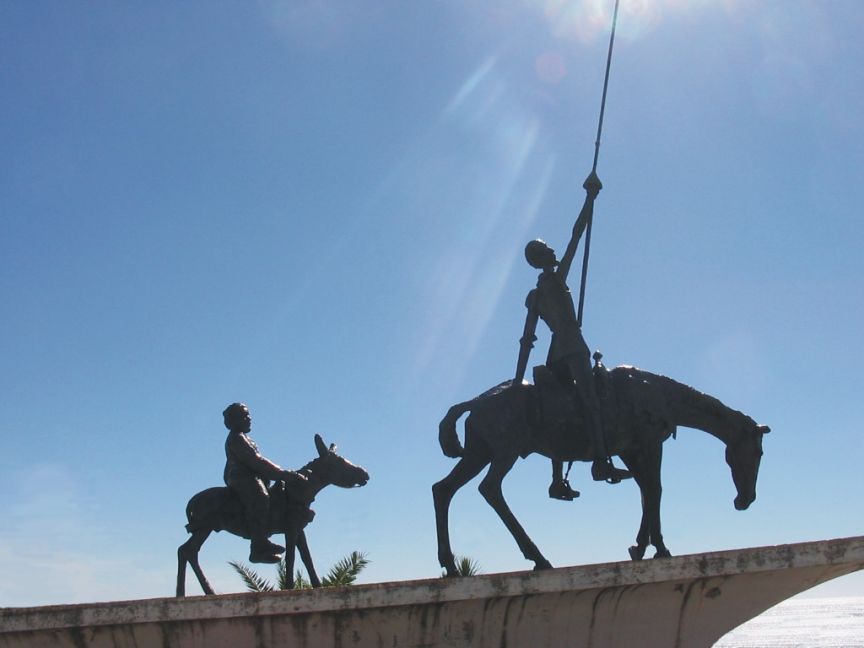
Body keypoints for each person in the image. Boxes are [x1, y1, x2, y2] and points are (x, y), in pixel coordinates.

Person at [514, 172, 631, 501]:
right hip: (572, 347)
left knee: (559, 409)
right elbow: (576, 236)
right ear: (541, 258)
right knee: (591, 402)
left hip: (555, 352)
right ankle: (602, 463)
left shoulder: (534, 296)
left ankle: (557, 480)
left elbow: (527, 342)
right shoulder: (555, 280)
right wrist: (589, 198)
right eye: (547, 249)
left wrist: (517, 379)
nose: (553, 250)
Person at [222, 402, 307, 563]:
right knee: (260, 496)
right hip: (242, 478)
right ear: (234, 420)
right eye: (245, 416)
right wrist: (282, 474)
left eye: (249, 415)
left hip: (254, 476)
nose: (249, 418)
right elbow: (256, 461)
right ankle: (258, 545)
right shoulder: (237, 439)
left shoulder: (245, 438)